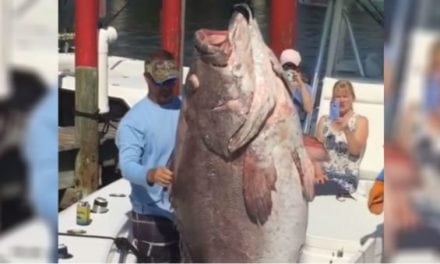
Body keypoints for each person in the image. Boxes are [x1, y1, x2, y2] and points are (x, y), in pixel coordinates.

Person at [116, 49, 181, 263]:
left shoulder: (186, 108)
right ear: (147, 78)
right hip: (152, 215)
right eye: (160, 82)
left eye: (171, 81)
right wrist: (151, 174)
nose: (166, 88)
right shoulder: (133, 121)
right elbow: (127, 166)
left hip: (186, 211)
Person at [314, 80, 369, 194]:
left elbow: (355, 151)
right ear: (333, 100)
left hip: (345, 178)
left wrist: (346, 129)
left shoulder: (360, 121)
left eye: (345, 96)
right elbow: (316, 154)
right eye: (338, 97)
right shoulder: (324, 121)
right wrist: (318, 174)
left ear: (352, 98)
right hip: (323, 176)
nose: (341, 100)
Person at [280, 49, 313, 129]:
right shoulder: (277, 83)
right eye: (286, 67)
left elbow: (308, 109)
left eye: (292, 67)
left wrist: (301, 84)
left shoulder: (305, 88)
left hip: (295, 127)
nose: (289, 70)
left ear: (298, 69)